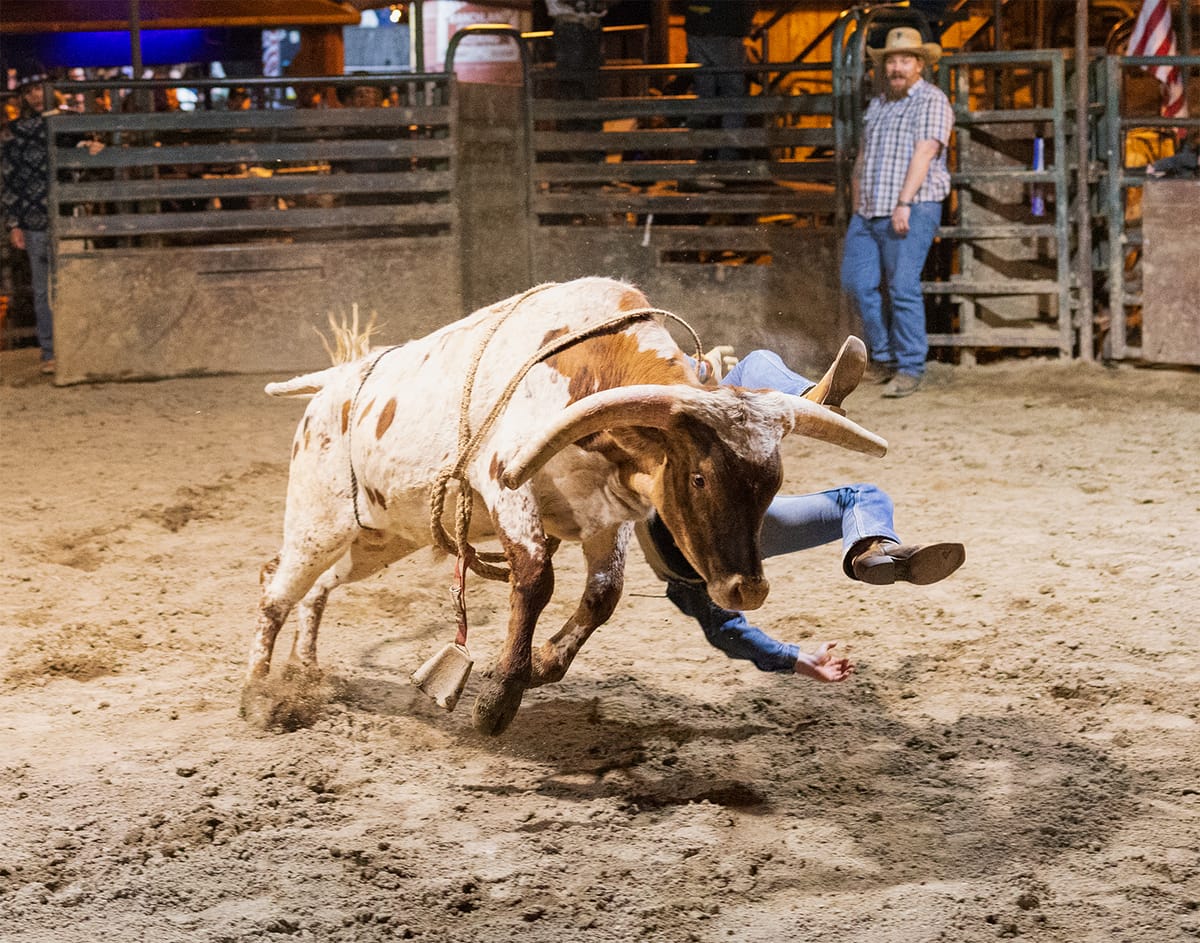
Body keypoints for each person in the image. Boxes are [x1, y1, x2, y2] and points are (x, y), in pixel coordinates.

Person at [636, 337, 965, 682]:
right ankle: (871, 547)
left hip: (701, 531)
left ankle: (813, 401)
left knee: (748, 373)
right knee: (862, 498)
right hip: (716, 514)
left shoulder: (638, 467)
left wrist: (795, 659)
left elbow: (724, 630)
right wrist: (701, 368)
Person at [840, 26, 954, 399]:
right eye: (891, 61)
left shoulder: (931, 100)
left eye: (905, 60)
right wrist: (857, 204)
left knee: (902, 286)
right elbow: (863, 157)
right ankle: (885, 356)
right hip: (870, 209)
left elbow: (925, 152)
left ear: (920, 65)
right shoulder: (879, 104)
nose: (897, 68)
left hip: (912, 206)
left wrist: (904, 202)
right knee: (857, 283)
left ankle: (909, 366)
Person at [683, 0, 757, 166]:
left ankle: (693, 152)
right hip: (725, 28)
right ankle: (727, 157)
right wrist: (745, 24)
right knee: (733, 93)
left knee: (704, 92)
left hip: (696, 25)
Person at [546, 0, 618, 104]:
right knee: (572, 80)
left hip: (591, 27)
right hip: (568, 27)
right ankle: (573, 110)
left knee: (590, 81)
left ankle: (586, 109)